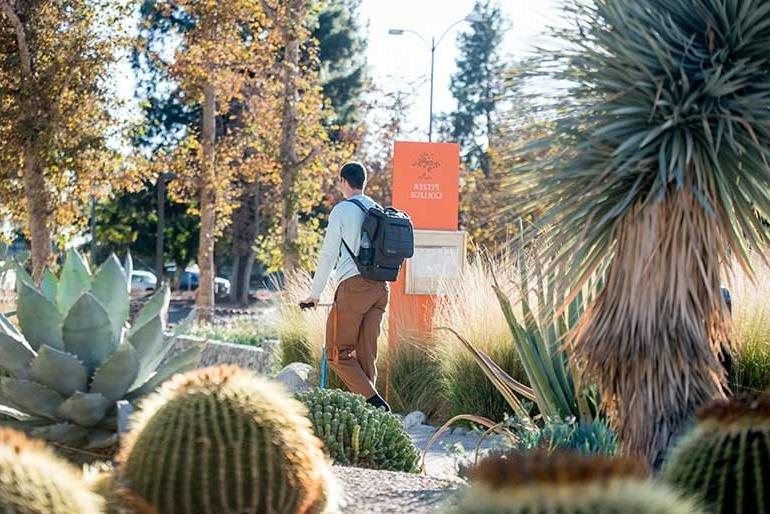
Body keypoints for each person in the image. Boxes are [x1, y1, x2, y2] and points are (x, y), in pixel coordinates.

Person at [302, 162, 390, 410]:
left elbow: (329, 254)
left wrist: (315, 294)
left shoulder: (342, 211)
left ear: (343, 181)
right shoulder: (378, 209)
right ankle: (371, 416)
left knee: (336, 354)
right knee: (366, 356)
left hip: (354, 287)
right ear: (364, 182)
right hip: (381, 289)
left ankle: (375, 404)